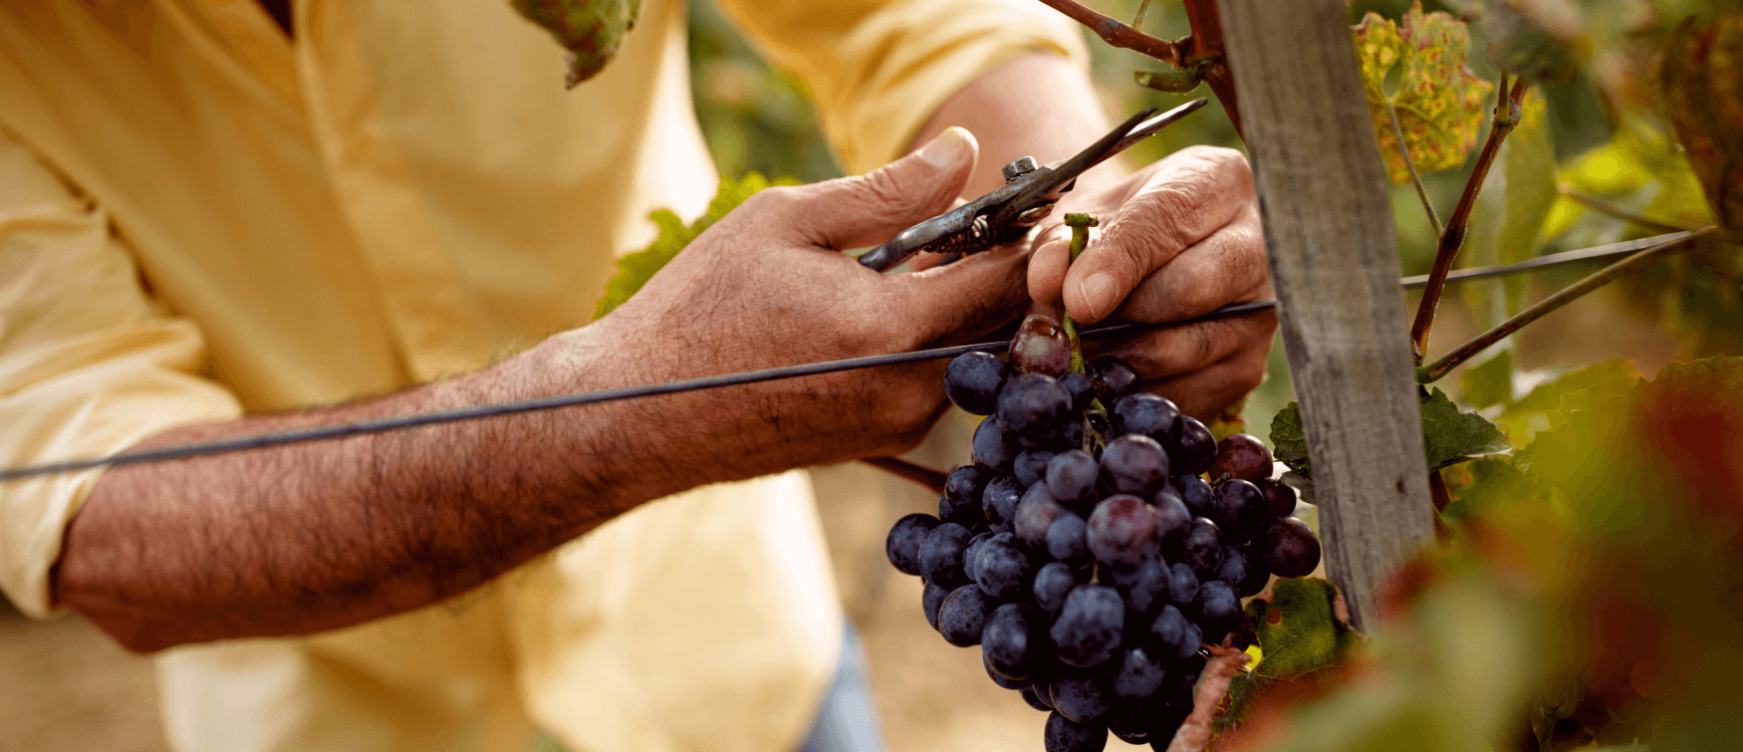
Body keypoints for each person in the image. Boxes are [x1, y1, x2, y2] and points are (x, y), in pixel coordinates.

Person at [0, 1, 1272, 750]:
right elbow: (96, 507)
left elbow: (908, 17)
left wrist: (1081, 220)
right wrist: (646, 401)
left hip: (735, 678)